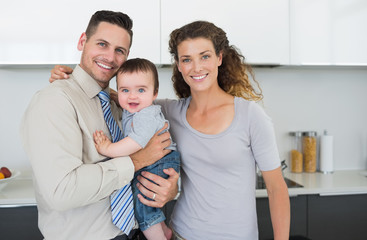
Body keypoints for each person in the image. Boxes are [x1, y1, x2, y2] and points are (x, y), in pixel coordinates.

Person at [50, 20, 290, 240]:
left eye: (204, 56)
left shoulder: (250, 116)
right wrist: (74, 79)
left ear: (219, 57)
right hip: (180, 233)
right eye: (186, 59)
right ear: (179, 65)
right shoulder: (168, 112)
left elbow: (277, 188)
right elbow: (125, 96)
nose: (196, 67)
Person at [20, 10, 179, 240]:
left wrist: (168, 189)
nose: (110, 57)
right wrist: (137, 161)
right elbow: (61, 192)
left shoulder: (121, 103)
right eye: (102, 44)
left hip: (132, 232)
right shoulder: (54, 101)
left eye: (119, 51)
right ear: (82, 41)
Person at [93, 58, 180, 240]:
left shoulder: (145, 115)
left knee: (144, 206)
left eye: (141, 90)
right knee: (145, 201)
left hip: (160, 160)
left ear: (155, 93)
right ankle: (164, 231)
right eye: (126, 90)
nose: (132, 96)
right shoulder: (135, 109)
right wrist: (118, 96)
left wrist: (108, 148)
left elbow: (134, 143)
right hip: (158, 160)